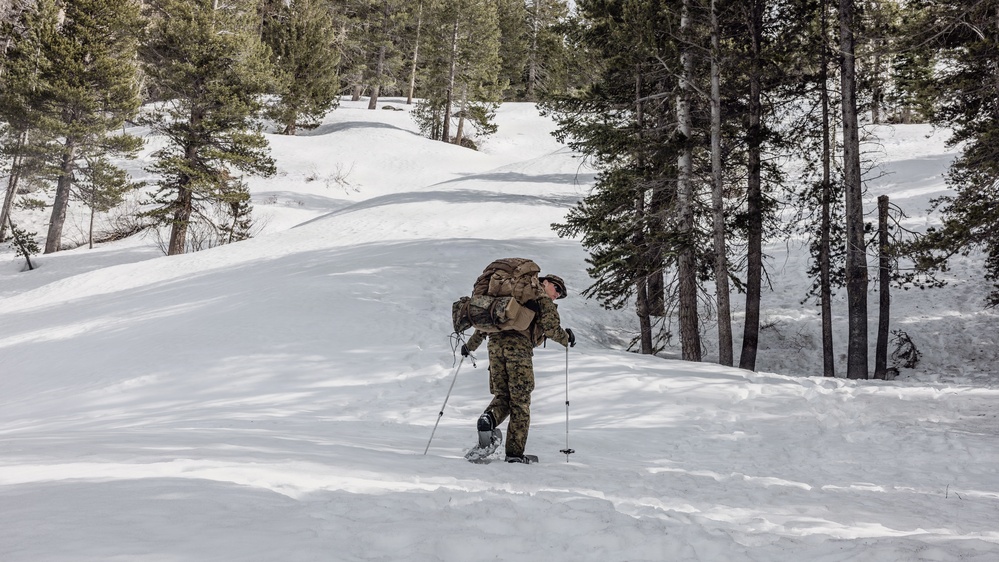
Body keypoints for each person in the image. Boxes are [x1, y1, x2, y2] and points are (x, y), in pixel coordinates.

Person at [461, 274, 576, 463]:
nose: (557, 295)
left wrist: (470, 346)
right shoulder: (541, 299)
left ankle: (487, 419)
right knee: (520, 403)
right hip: (519, 351)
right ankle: (514, 455)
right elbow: (551, 328)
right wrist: (567, 338)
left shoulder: (511, 299)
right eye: (557, 289)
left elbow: (484, 326)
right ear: (545, 282)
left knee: (503, 396)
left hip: (495, 348)